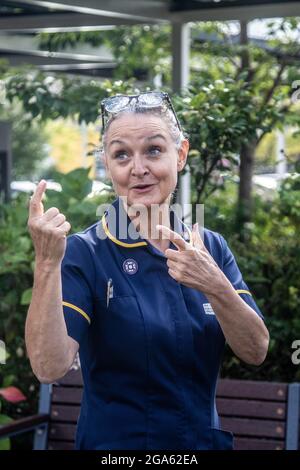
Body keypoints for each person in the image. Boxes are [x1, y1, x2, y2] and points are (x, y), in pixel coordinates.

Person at [25, 91, 269, 451]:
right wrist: (47, 264)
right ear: (108, 167)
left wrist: (215, 285)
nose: (138, 168)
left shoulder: (211, 248)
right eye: (122, 155)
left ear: (180, 154)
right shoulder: (85, 253)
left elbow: (255, 349)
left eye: (154, 150)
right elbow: (49, 367)